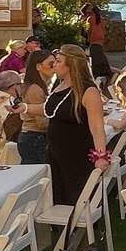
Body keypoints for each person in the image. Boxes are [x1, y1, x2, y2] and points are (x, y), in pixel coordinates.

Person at [44, 45, 110, 207]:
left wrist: (101, 156)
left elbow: (96, 126)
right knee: (57, 194)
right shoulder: (58, 86)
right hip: (56, 152)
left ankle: (79, 228)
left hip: (76, 154)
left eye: (59, 61)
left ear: (71, 65)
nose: (55, 65)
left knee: (76, 196)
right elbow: (53, 109)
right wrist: (25, 108)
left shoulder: (88, 91)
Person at [17, 48, 54, 165]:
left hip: (32, 138)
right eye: (51, 64)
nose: (55, 67)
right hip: (34, 138)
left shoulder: (37, 86)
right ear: (38, 67)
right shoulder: (35, 89)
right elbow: (42, 123)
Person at [80, 3, 111, 80]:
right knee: (98, 53)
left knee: (94, 54)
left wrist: (88, 38)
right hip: (100, 37)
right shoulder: (100, 18)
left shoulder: (89, 18)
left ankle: (95, 72)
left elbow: (88, 30)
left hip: (93, 38)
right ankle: (103, 71)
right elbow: (104, 28)